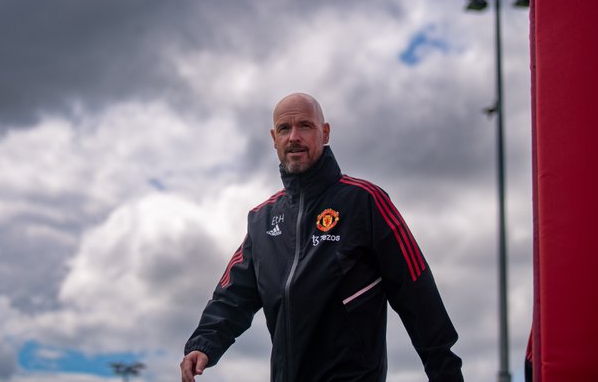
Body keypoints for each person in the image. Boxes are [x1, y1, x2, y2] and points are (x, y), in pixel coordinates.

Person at [181, 93, 463, 382]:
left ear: (324, 133)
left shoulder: (365, 201)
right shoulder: (262, 220)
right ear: (273, 138)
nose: (294, 137)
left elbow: (416, 290)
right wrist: (204, 343)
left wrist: (445, 371)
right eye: (284, 129)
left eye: (304, 126)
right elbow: (232, 295)